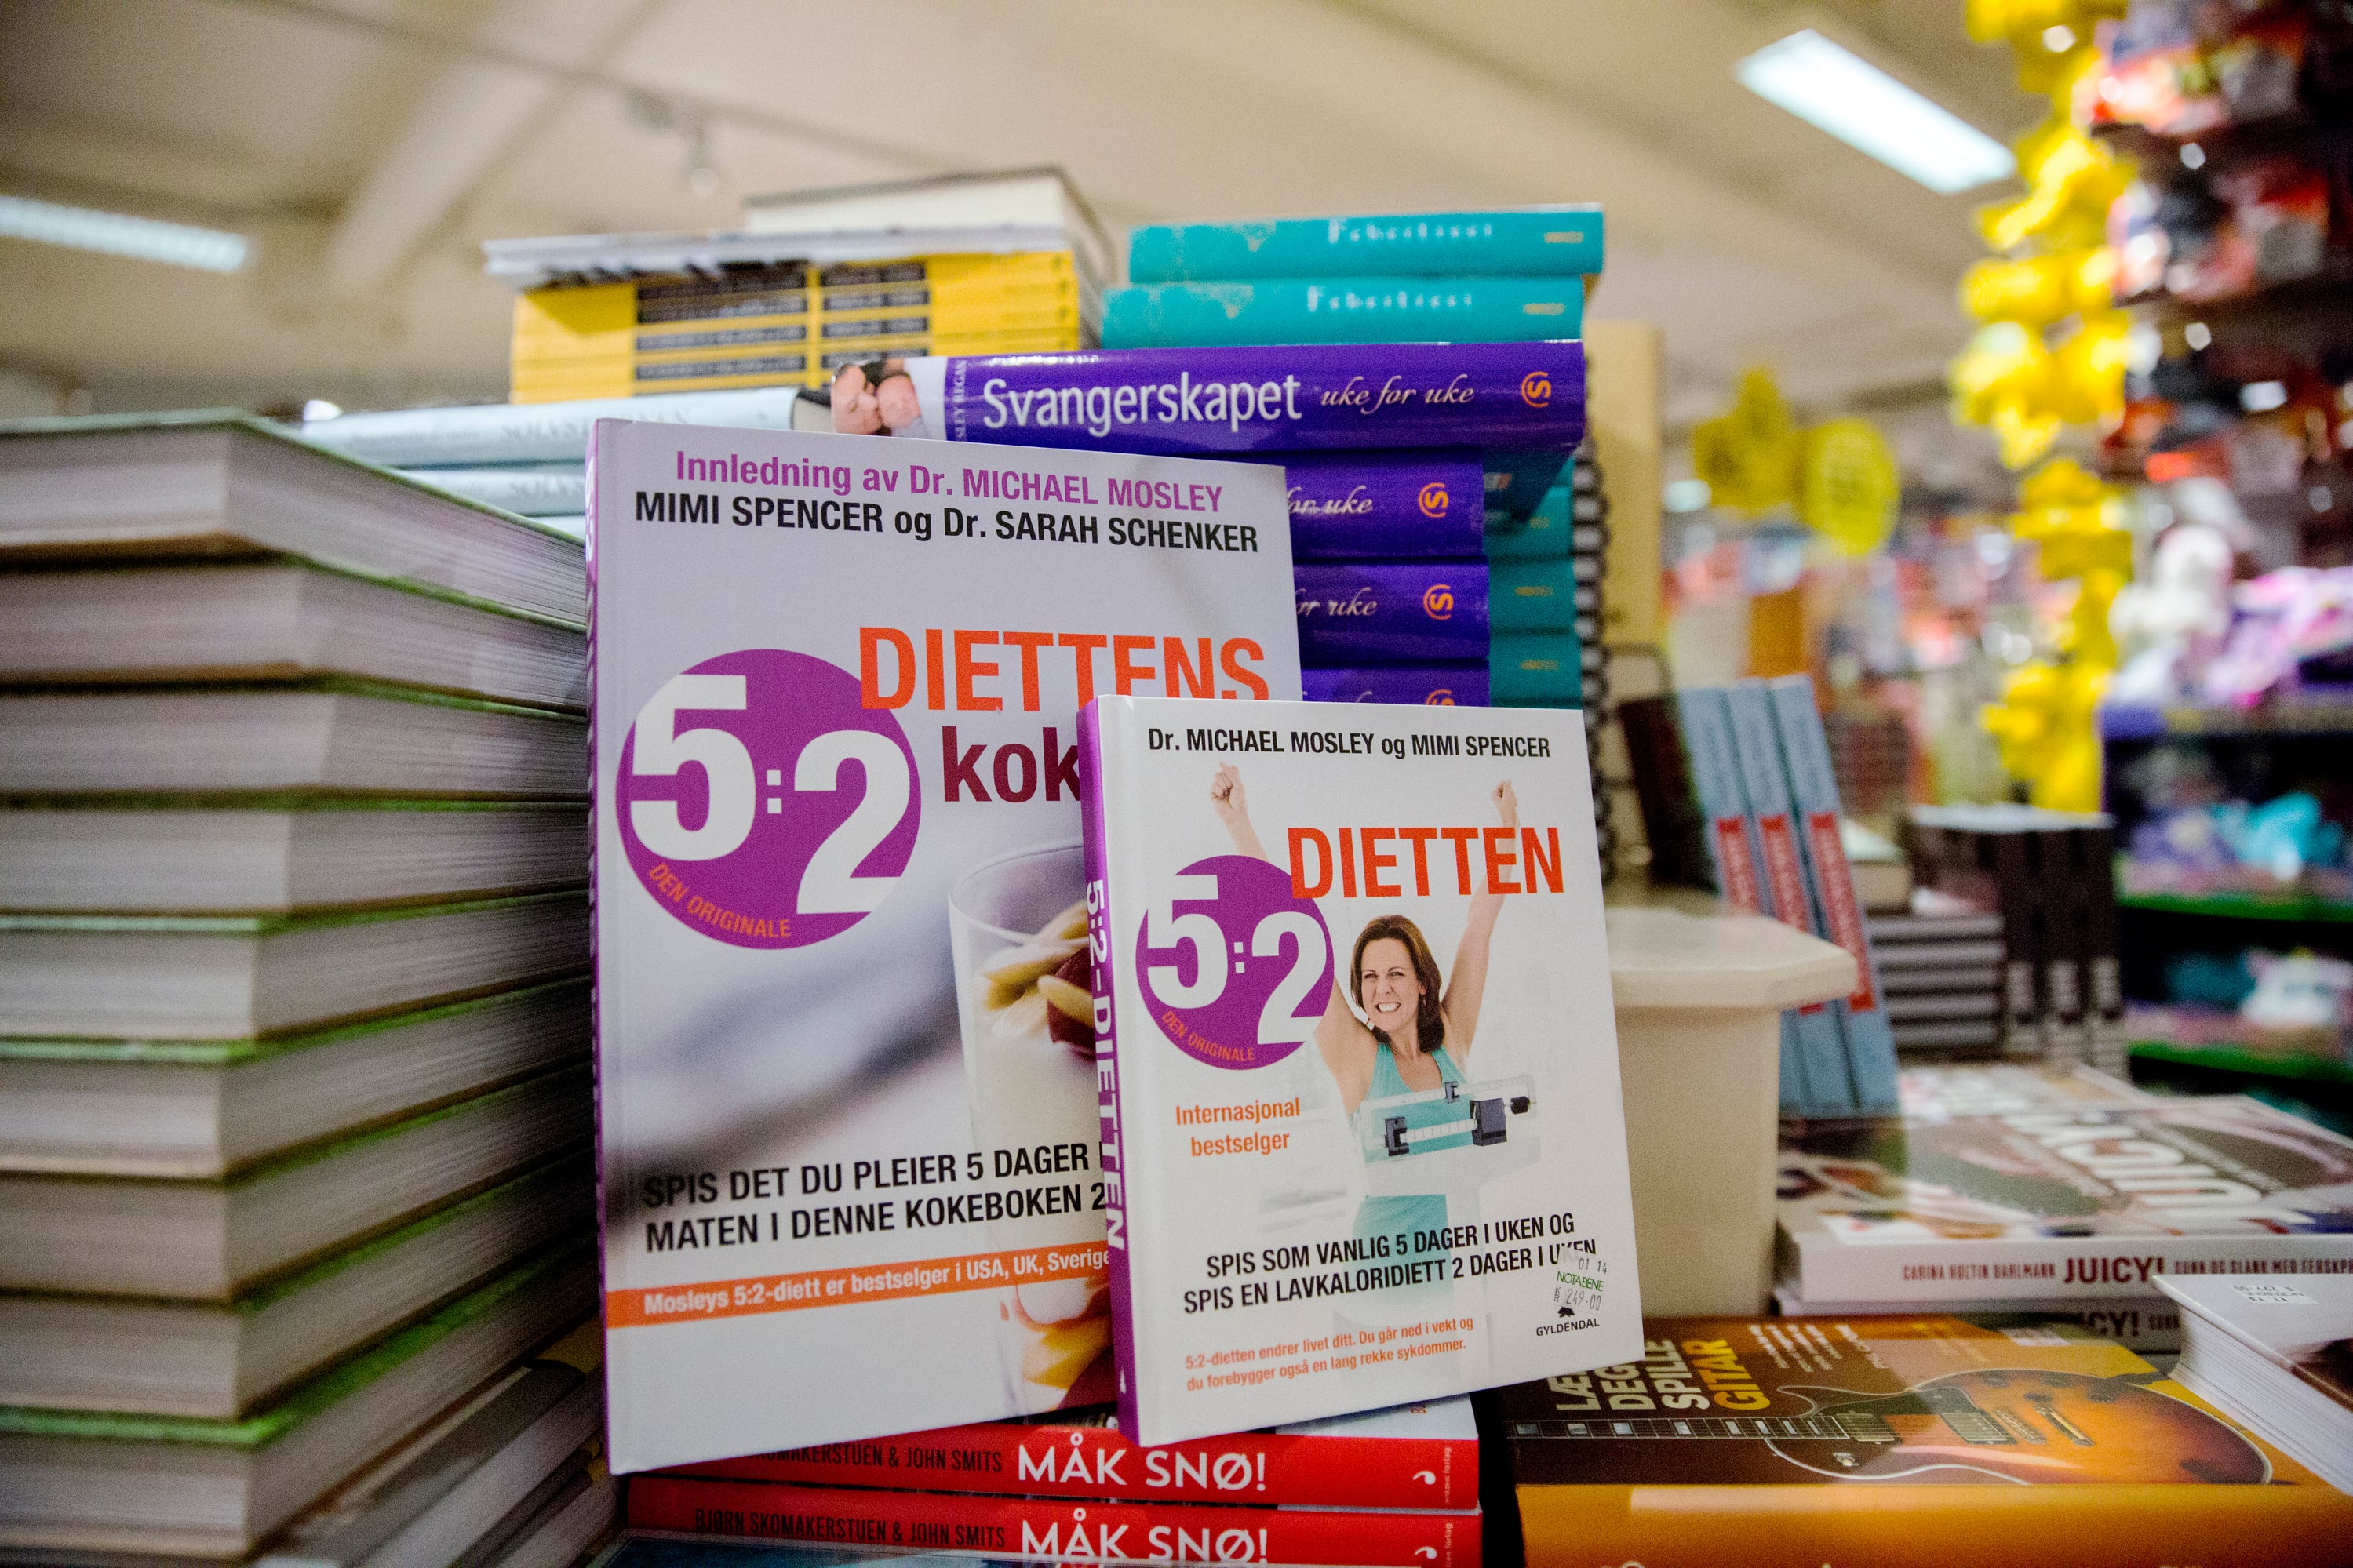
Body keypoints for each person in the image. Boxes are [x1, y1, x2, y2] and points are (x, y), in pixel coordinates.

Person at [1207, 763, 1516, 1250]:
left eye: (1396, 974)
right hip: (1381, 1267)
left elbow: (1482, 921)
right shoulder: (1358, 1055)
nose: (1382, 989)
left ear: (1421, 983)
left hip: (1458, 1263)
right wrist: (1237, 823)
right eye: (1370, 977)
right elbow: (1294, 930)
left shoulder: (1452, 1038)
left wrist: (1509, 826)